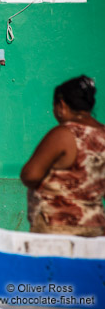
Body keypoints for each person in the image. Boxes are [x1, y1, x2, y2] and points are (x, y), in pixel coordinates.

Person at [21, 75, 105, 237]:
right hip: (96, 227)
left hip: (58, 226)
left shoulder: (63, 134)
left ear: (62, 105)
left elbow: (30, 175)